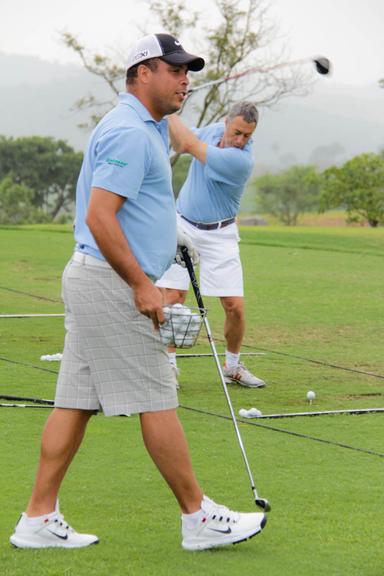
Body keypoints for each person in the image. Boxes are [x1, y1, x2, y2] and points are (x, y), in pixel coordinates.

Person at [9, 33, 266, 551]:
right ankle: (197, 517)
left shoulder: (144, 127)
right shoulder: (129, 131)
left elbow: (142, 193)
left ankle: (37, 518)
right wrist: (142, 284)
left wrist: (164, 242)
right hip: (111, 282)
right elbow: (100, 217)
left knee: (74, 402)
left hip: (95, 277)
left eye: (188, 71)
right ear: (142, 73)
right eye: (174, 70)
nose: (185, 79)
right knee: (157, 396)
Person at [156, 102, 266, 388]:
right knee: (172, 300)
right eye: (237, 132)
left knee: (234, 306)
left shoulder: (240, 160)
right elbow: (179, 142)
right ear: (226, 122)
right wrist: (163, 106)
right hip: (183, 225)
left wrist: (166, 107)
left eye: (247, 136)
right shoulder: (214, 130)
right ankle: (167, 367)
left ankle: (232, 366)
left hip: (221, 233)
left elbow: (189, 144)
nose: (240, 141)